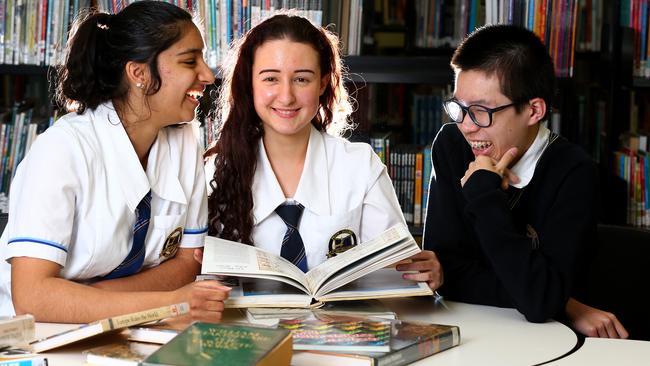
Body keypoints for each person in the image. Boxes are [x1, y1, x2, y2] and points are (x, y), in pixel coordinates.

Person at [0, 2, 230, 323]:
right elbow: (33, 297)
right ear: (138, 73)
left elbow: (188, 262)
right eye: (190, 61)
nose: (207, 75)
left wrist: (88, 298)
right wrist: (167, 303)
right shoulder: (63, 149)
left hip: (120, 324)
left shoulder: (184, 140)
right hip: (36, 335)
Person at [204, 14, 442, 289]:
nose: (286, 96)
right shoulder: (216, 171)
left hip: (345, 328)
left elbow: (395, 278)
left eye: (301, 79)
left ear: (322, 83)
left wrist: (422, 274)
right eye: (271, 79)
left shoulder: (360, 166)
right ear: (249, 84)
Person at [423, 24, 628, 338]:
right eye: (459, 108)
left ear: (533, 110)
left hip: (546, 339)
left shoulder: (574, 172)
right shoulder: (452, 146)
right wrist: (567, 304)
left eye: (480, 111)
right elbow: (448, 275)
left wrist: (484, 195)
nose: (467, 126)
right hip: (469, 327)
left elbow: (539, 301)